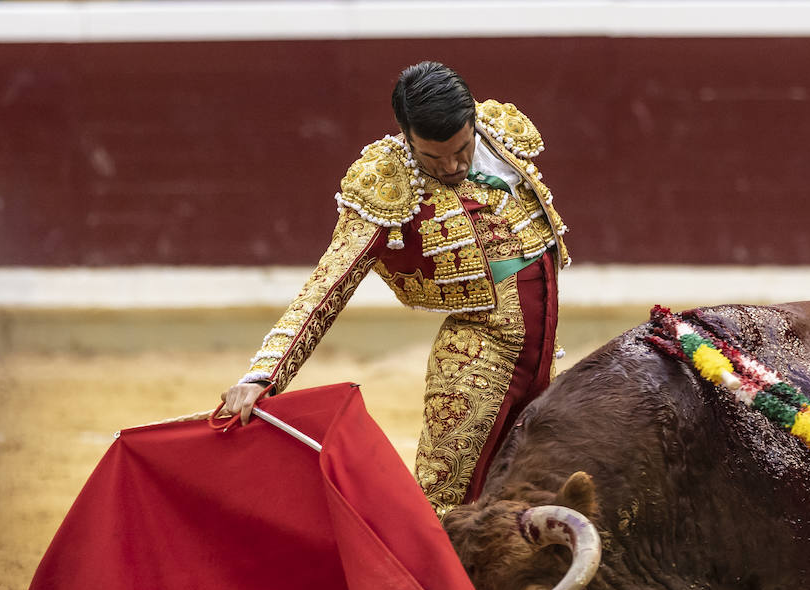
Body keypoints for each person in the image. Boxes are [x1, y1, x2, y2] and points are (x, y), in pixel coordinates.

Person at [220, 61, 570, 518]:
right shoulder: (386, 182)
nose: (451, 166)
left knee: (532, 493)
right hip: (478, 358)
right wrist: (265, 374)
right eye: (433, 157)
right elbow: (329, 284)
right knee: (444, 505)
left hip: (545, 353)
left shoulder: (502, 138)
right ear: (406, 136)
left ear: (474, 125)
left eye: (462, 150)